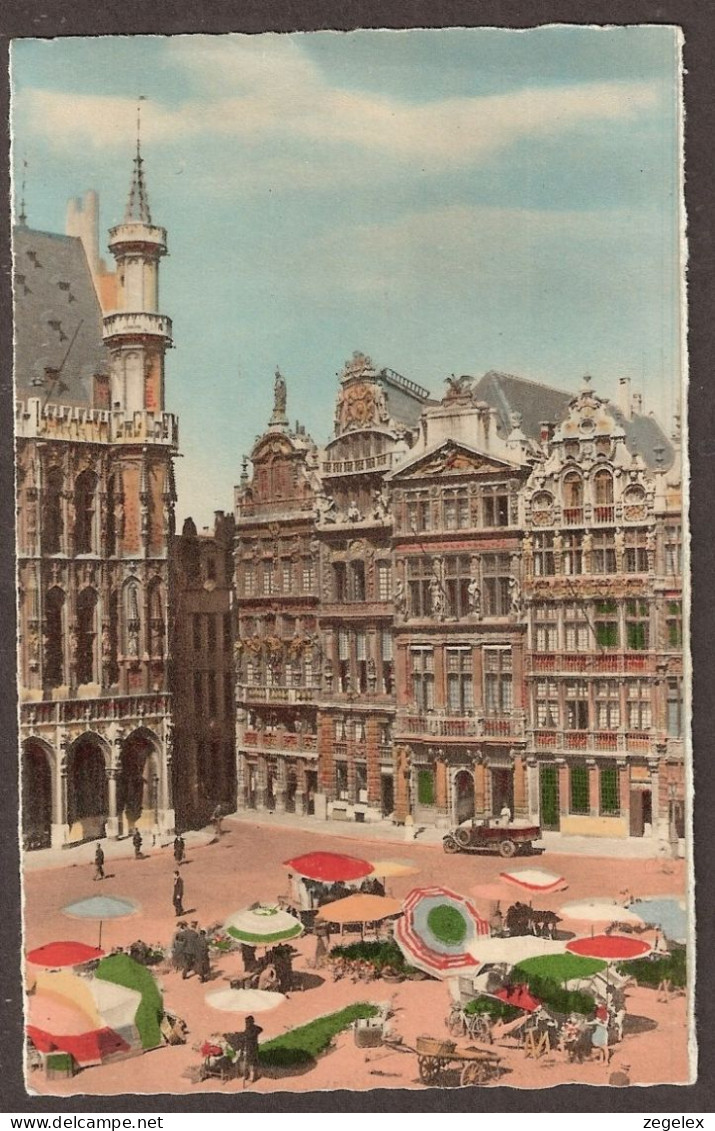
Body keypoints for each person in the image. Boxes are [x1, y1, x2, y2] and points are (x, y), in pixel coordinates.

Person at [242, 1015, 263, 1083]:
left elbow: (260, 1029)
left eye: (247, 1022)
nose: (246, 1023)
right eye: (246, 1022)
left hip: (252, 1048)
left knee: (252, 1062)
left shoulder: (253, 1028)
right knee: (248, 1062)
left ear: (251, 1022)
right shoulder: (248, 1028)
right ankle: (247, 1075)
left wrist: (251, 1034)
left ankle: (253, 1076)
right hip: (248, 1048)